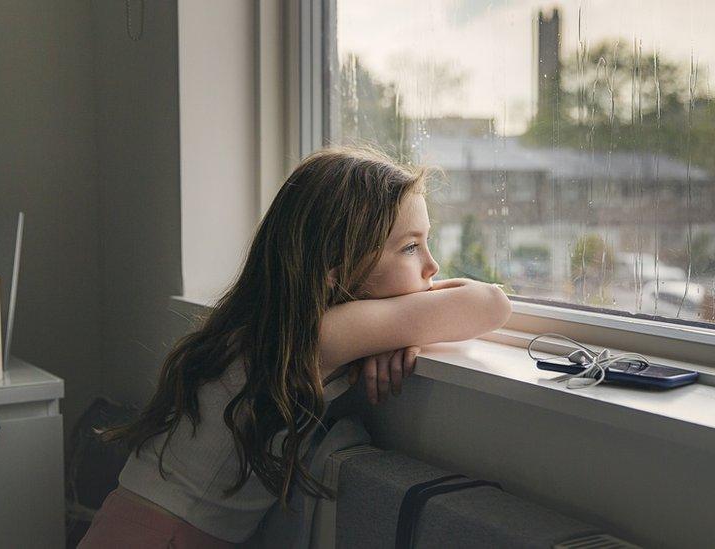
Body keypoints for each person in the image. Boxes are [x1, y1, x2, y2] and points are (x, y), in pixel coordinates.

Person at [79, 147, 512, 548]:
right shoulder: (317, 334)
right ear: (335, 268)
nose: (433, 266)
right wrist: (402, 323)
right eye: (411, 247)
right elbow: (491, 304)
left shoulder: (272, 324)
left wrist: (400, 326)